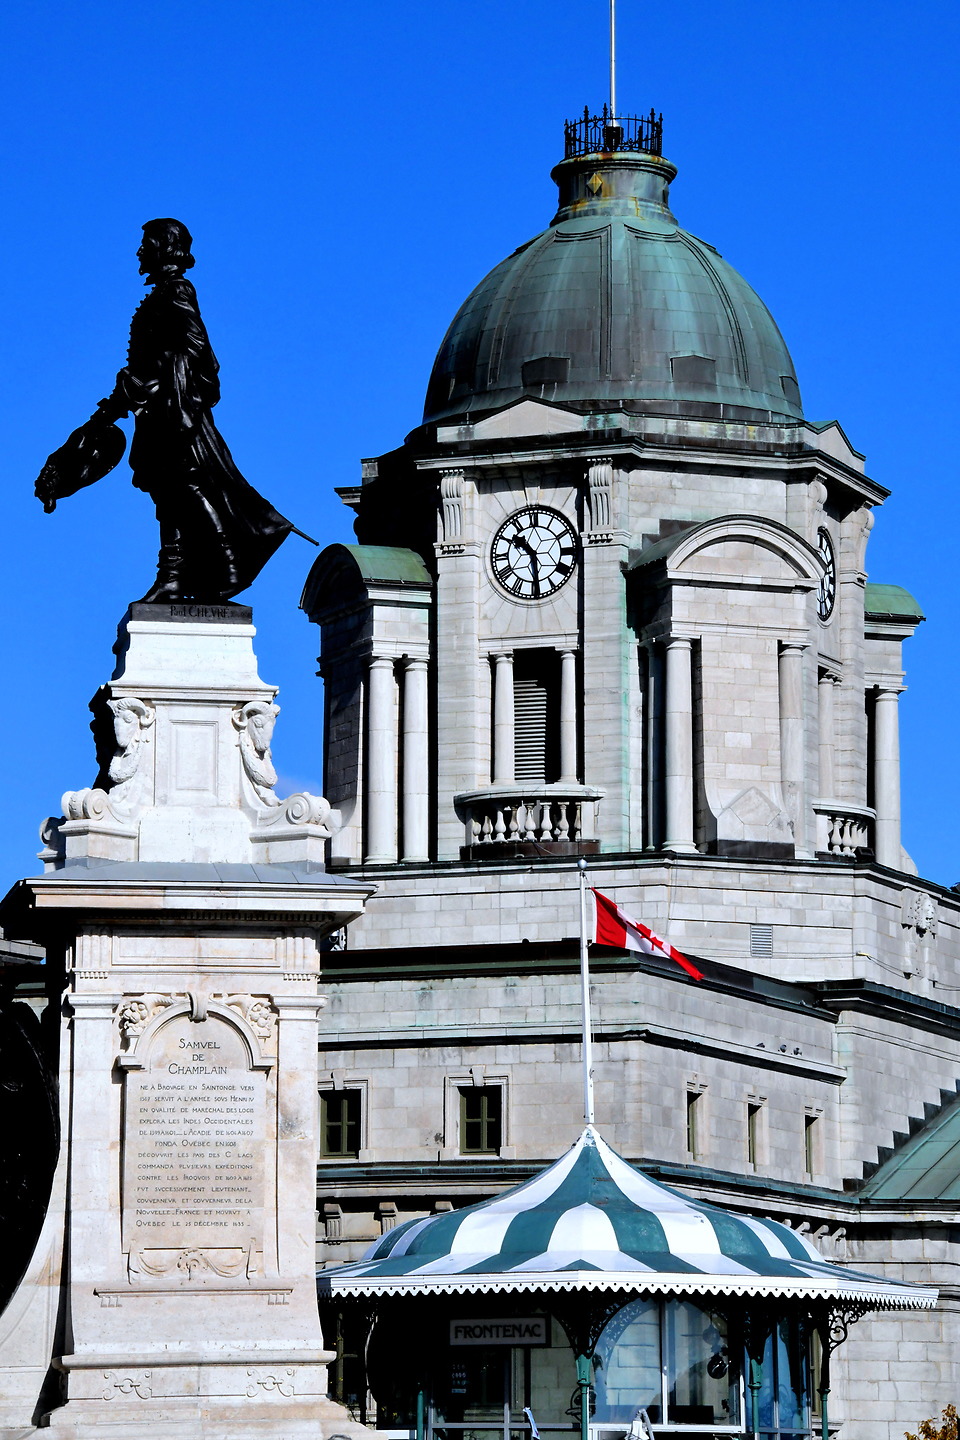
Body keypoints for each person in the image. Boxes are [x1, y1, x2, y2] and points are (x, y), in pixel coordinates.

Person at [37, 218, 295, 603]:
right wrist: (112, 407)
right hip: (156, 413)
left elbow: (197, 350)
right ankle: (172, 576)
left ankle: (226, 566)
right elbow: (140, 367)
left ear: (166, 246)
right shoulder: (160, 295)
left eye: (147, 243)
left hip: (175, 414)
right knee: (167, 493)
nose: (141, 251)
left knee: (184, 486)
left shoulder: (177, 291)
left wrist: (156, 384)